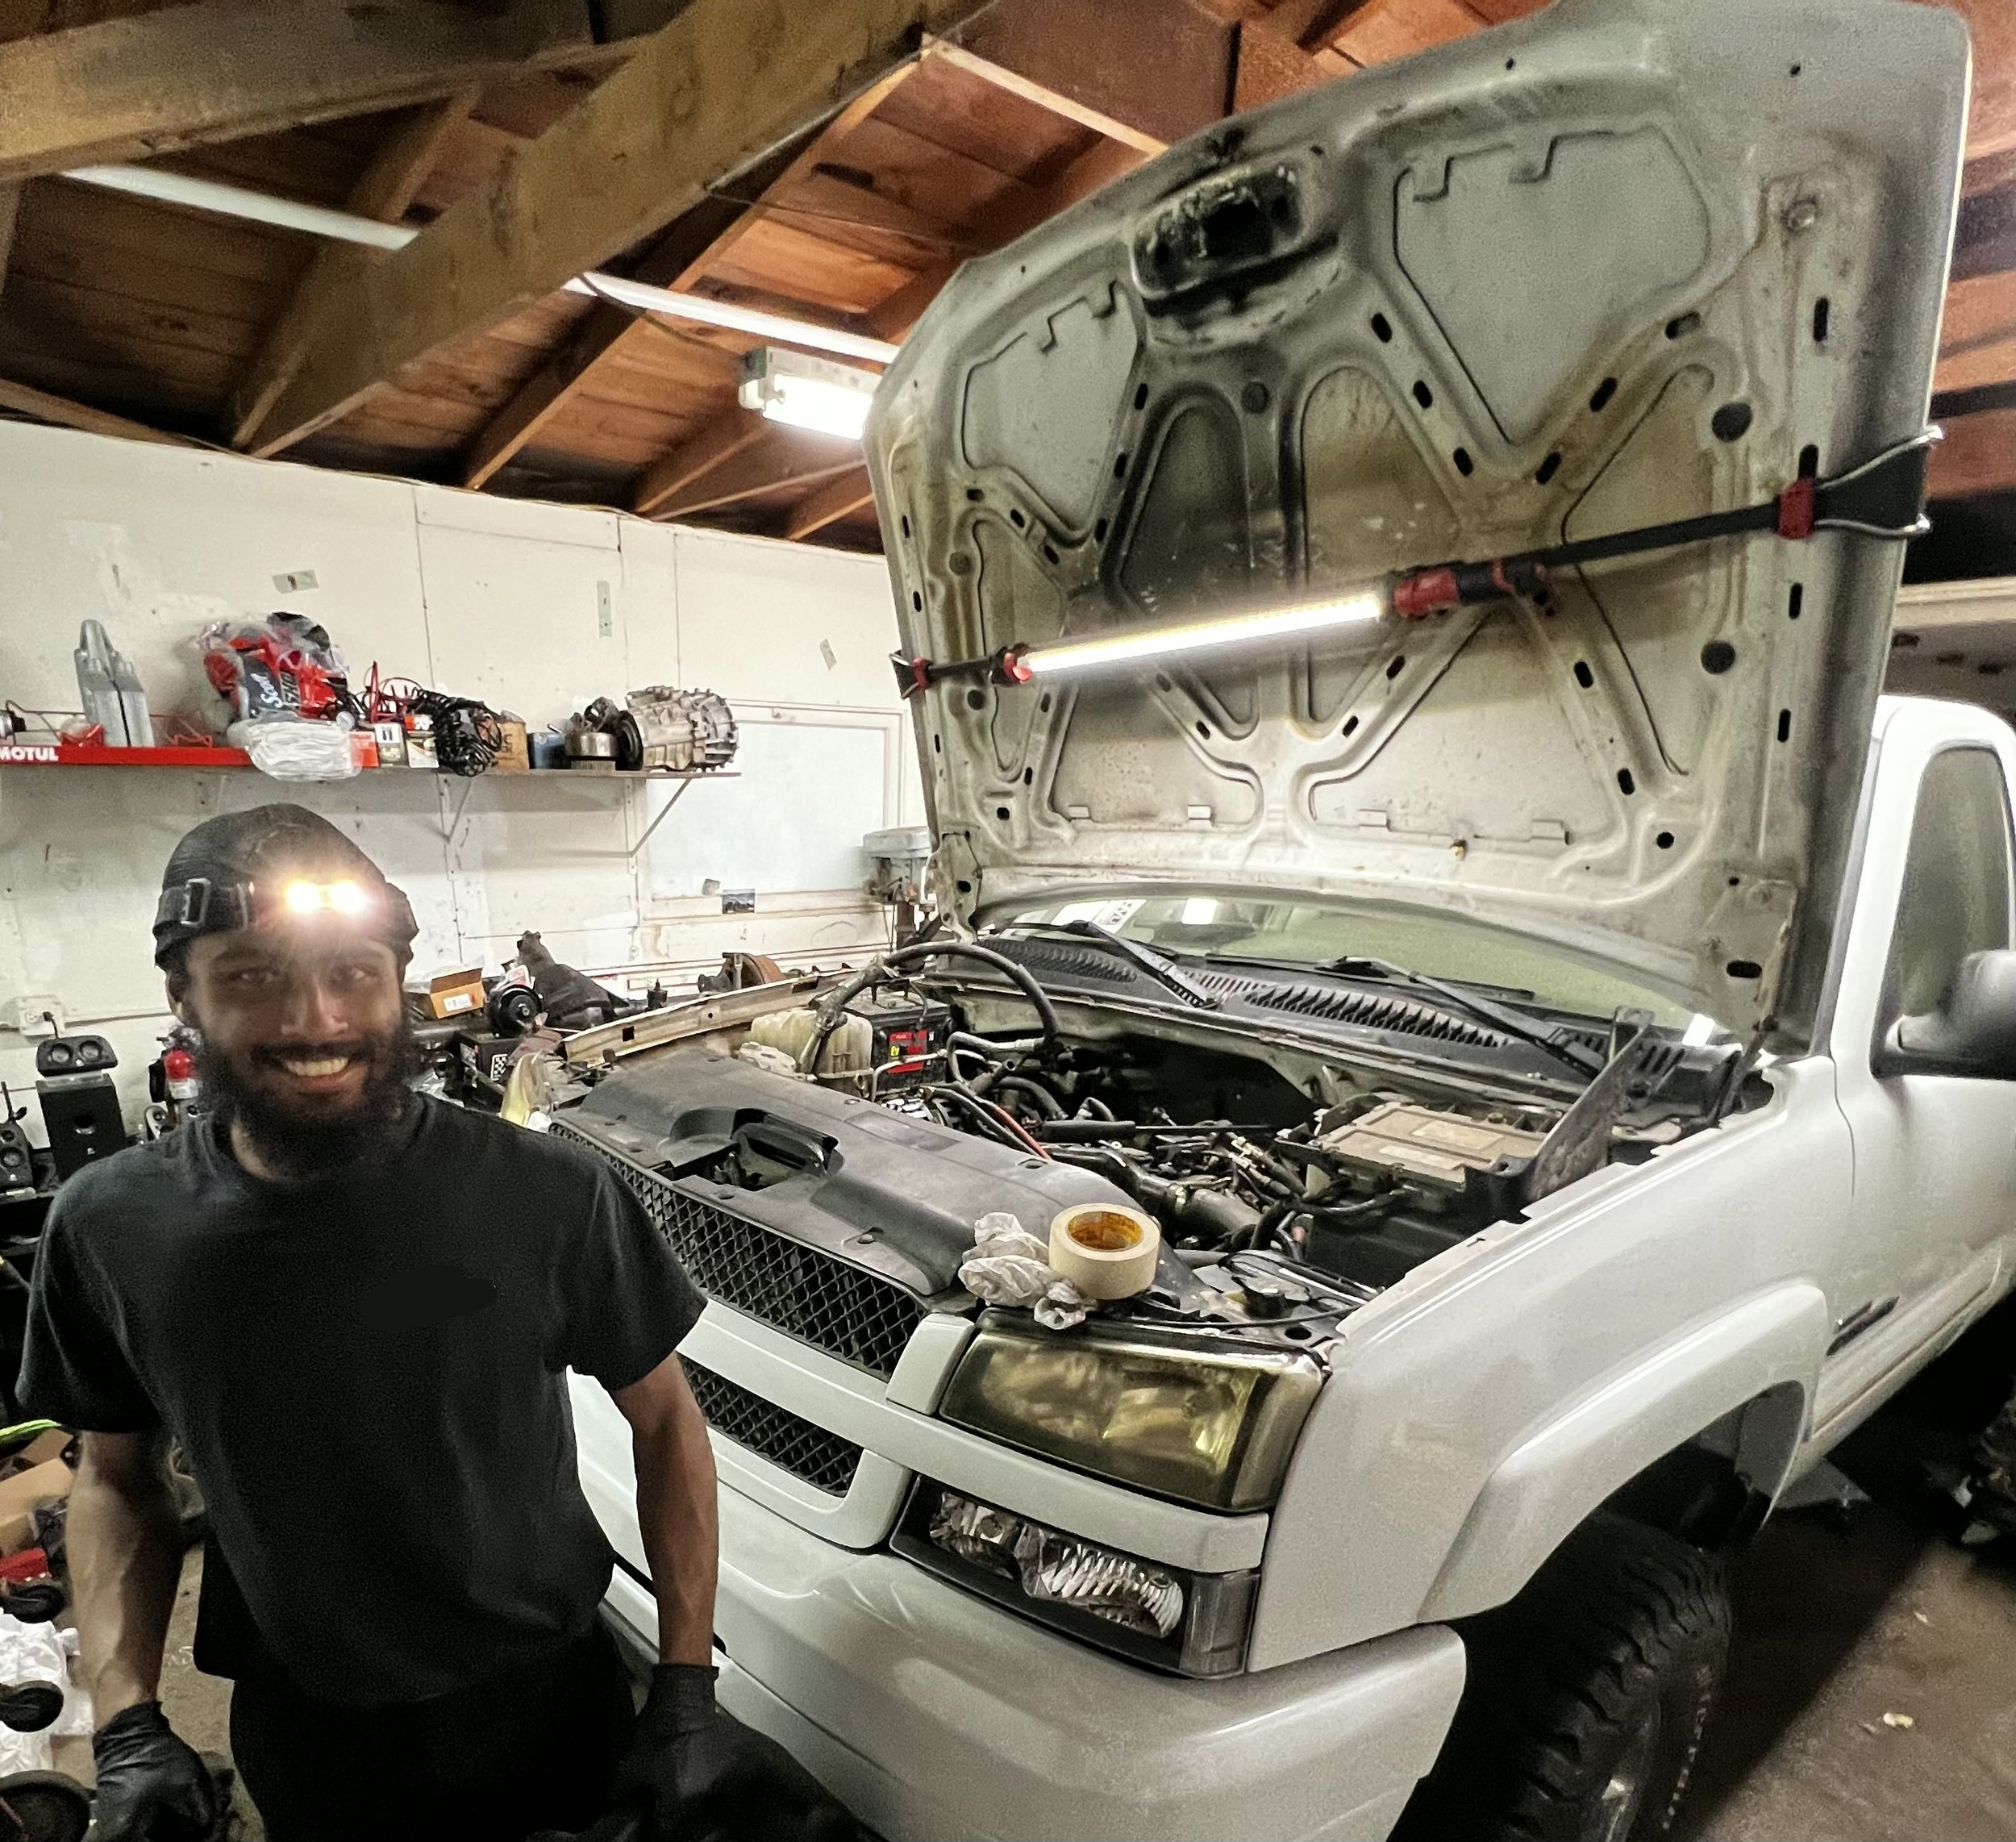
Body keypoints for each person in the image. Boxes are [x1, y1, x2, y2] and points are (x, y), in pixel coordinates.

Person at [16, 805, 846, 1841]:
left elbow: (667, 1424)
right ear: (180, 996)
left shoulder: (545, 1194)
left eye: (352, 973)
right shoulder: (111, 1225)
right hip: (309, 1728)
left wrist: (684, 1687)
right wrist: (129, 1718)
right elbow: (112, 1479)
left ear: (398, 983)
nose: (316, 1020)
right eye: (251, 977)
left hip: (546, 1706)